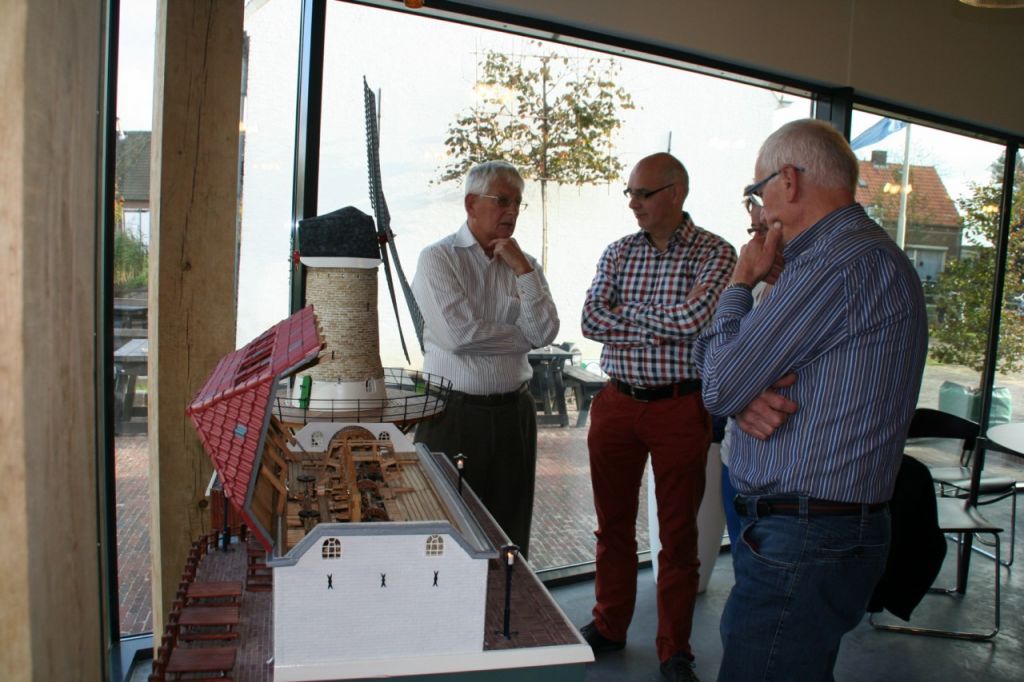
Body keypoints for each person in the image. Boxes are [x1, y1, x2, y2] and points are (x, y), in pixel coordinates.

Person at [694, 119, 927, 682]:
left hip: (805, 536)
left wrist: (739, 285)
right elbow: (722, 375)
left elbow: (718, 385)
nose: (759, 209)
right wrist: (741, 396)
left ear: (789, 181)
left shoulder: (834, 265)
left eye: (757, 192)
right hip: (810, 531)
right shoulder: (845, 258)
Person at [579, 152, 736, 682]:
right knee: (612, 527)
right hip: (617, 404)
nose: (633, 203)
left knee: (678, 536)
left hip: (679, 406)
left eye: (643, 193)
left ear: (675, 193)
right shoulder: (619, 251)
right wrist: (661, 321)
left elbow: (696, 319)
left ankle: (674, 649)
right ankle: (610, 625)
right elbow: (590, 319)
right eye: (629, 193)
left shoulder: (716, 252)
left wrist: (627, 317)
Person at [412, 160, 559, 560]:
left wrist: (523, 271)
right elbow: (458, 336)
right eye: (502, 201)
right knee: (446, 531)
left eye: (518, 202)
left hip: (514, 415)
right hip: (452, 415)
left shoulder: (526, 265)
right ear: (471, 204)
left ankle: (508, 600)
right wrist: (521, 338)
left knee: (510, 532)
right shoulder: (439, 258)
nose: (512, 211)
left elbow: (545, 332)